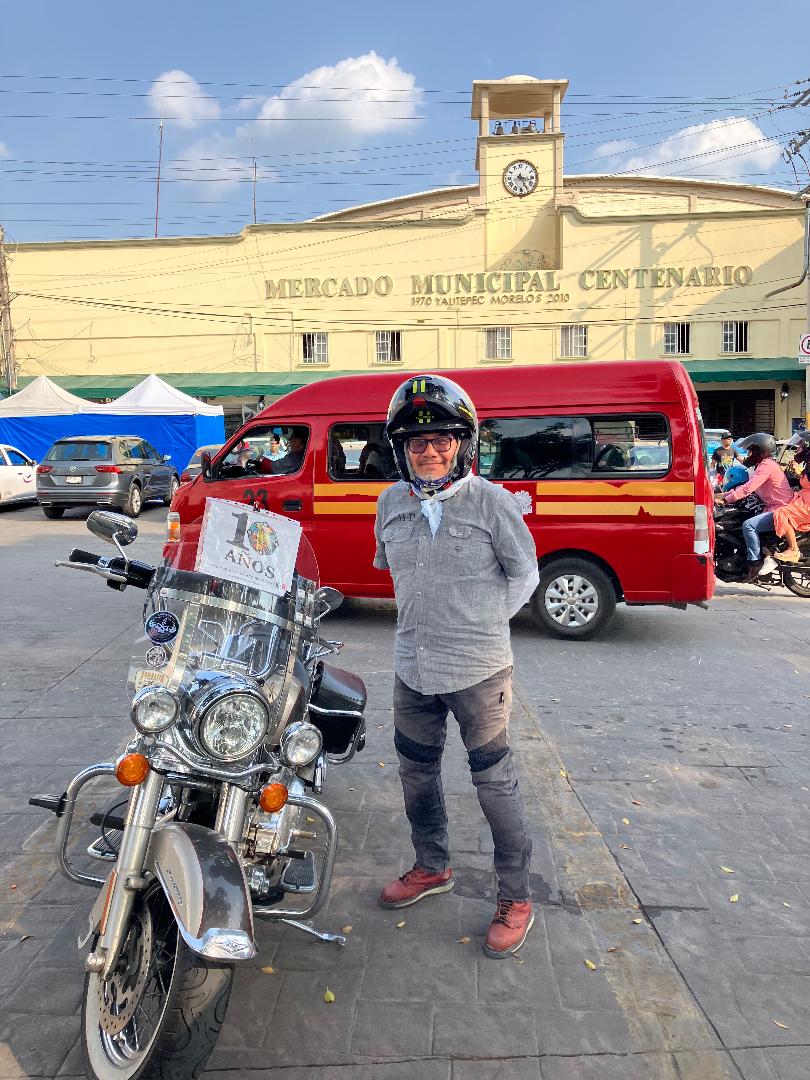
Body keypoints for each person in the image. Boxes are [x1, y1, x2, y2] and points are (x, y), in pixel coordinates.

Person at [373, 375, 540, 959]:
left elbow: (525, 575)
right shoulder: (389, 504)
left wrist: (485, 624)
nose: (430, 451)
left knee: (494, 784)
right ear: (401, 448)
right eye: (416, 441)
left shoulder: (492, 503)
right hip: (411, 667)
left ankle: (515, 897)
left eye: (441, 438)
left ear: (463, 443)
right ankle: (432, 865)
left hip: (479, 672)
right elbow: (390, 573)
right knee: (416, 774)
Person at [717, 432, 792, 582]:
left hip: (779, 510)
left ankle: (755, 561)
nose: (749, 455)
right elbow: (746, 486)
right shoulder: (762, 466)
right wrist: (724, 495)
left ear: (761, 452)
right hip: (770, 506)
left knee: (748, 526)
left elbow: (747, 489)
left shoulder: (766, 467)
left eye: (751, 451)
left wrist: (726, 500)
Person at [774, 432, 810, 563]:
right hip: (803, 498)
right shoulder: (808, 463)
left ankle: (793, 549)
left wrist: (798, 471)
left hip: (807, 504)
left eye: (800, 446)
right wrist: (797, 472)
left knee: (782, 513)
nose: (798, 449)